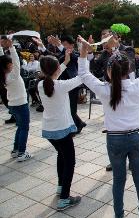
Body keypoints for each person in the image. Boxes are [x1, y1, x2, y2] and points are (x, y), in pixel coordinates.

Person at [78, 37, 139, 218]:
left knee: (118, 181)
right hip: (136, 137)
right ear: (129, 69)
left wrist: (83, 52)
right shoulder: (138, 86)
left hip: (114, 139)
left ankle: (119, 215)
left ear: (109, 71)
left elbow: (84, 74)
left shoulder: (104, 90)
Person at [38, 53, 82, 210]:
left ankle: (60, 186)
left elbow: (53, 77)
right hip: (62, 131)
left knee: (61, 155)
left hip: (49, 130)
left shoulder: (41, 85)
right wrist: (85, 56)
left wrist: (65, 63)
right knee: (70, 162)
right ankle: (64, 198)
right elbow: (81, 77)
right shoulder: (61, 85)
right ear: (57, 69)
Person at [0, 37, 32, 161]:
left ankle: (15, 150)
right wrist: (11, 47)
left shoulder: (4, 75)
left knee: (20, 127)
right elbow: (16, 61)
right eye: (11, 64)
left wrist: (2, 47)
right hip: (20, 104)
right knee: (24, 128)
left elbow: (2, 60)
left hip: (13, 105)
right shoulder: (13, 75)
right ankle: (21, 153)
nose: (14, 64)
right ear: (9, 65)